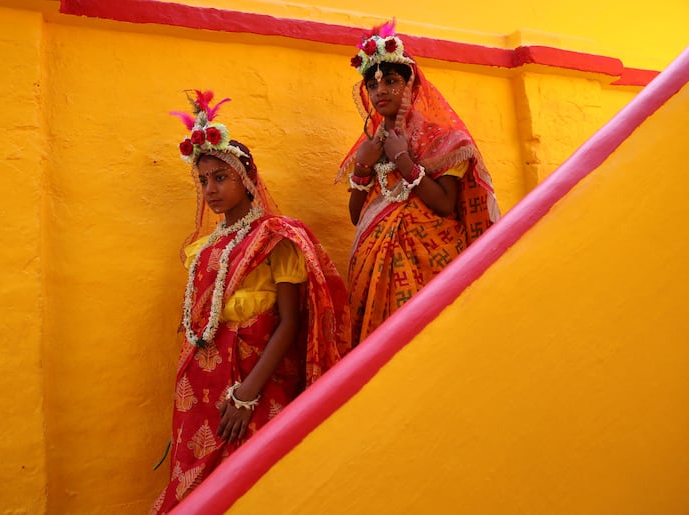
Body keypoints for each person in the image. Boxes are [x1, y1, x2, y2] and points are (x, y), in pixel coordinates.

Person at [151, 90, 351, 513]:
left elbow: (290, 323)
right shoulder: (204, 248)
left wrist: (246, 395)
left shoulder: (277, 238)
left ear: (246, 179)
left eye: (220, 178)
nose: (211, 189)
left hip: (256, 381)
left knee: (256, 481)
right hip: (201, 385)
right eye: (203, 180)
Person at [339, 19, 500, 346]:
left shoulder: (443, 139)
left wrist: (402, 159)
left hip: (430, 258)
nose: (380, 91)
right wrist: (362, 166)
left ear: (411, 85)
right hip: (372, 262)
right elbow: (357, 215)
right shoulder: (368, 145)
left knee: (431, 342)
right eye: (372, 85)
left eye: (391, 81)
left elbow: (443, 203)